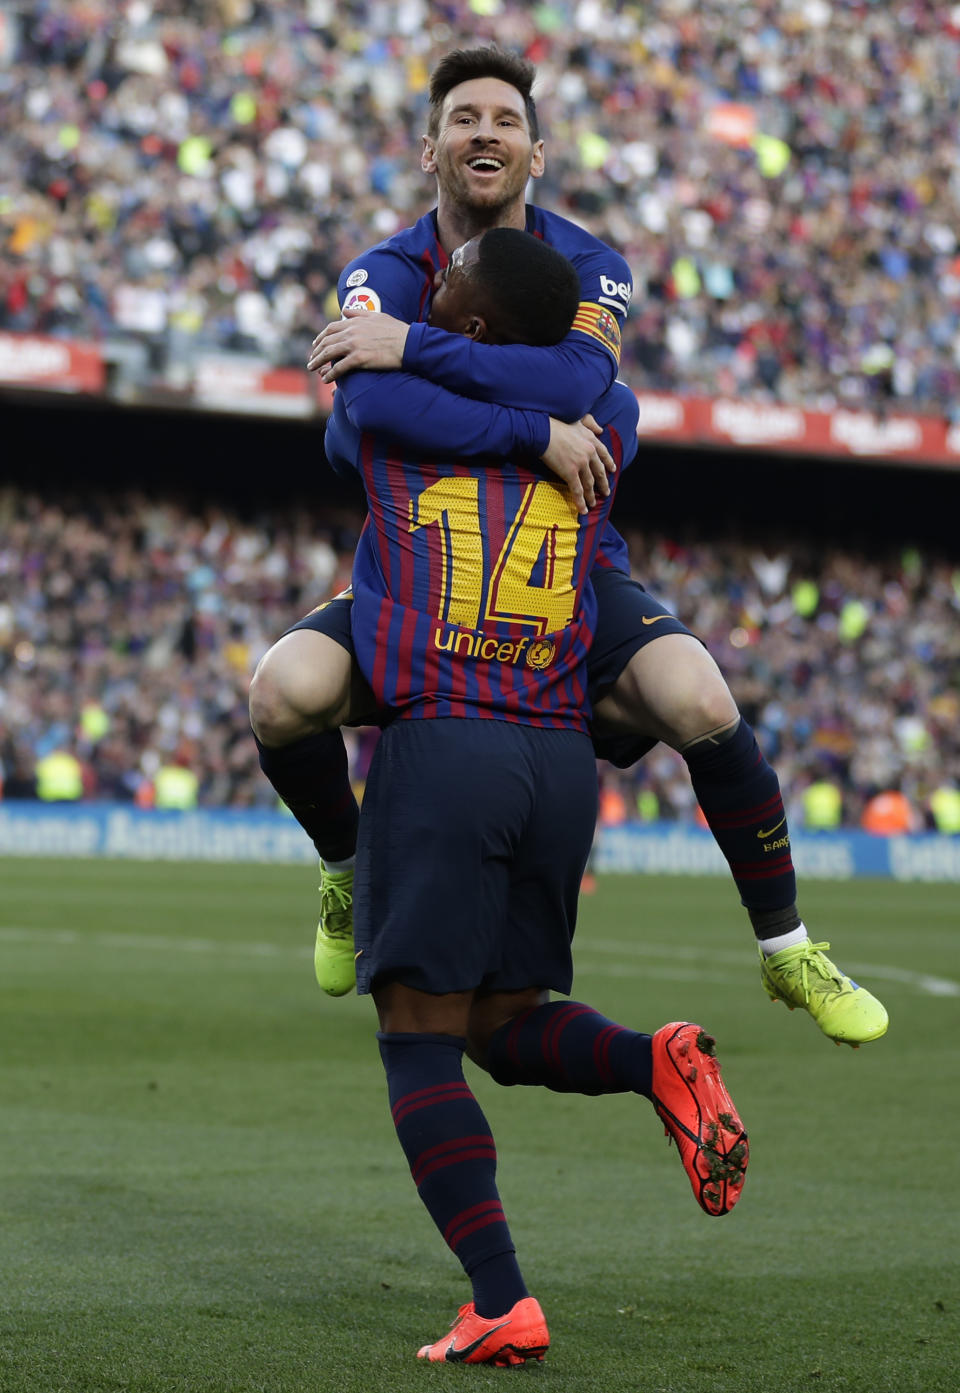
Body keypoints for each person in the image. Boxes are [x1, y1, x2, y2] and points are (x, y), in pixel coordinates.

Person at [249, 44, 888, 1049]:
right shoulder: (380, 270)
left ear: (536, 151)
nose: (486, 132)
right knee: (279, 695)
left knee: (703, 700)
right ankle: (344, 862)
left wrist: (421, 352)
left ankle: (788, 945)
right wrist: (531, 431)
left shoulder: (596, 268)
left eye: (505, 119)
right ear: (430, 148)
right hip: (428, 562)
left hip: (565, 570)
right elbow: (367, 406)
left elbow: (582, 389)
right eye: (465, 118)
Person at [329, 223, 748, 1365]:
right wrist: (539, 423)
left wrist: (398, 344)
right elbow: (584, 388)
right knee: (503, 1029)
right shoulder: (601, 428)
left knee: (419, 1038)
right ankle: (649, 1057)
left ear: (466, 322)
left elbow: (347, 418)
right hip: (557, 754)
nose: (436, 275)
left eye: (450, 283)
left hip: (447, 742)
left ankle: (502, 1298)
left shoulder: (394, 407)